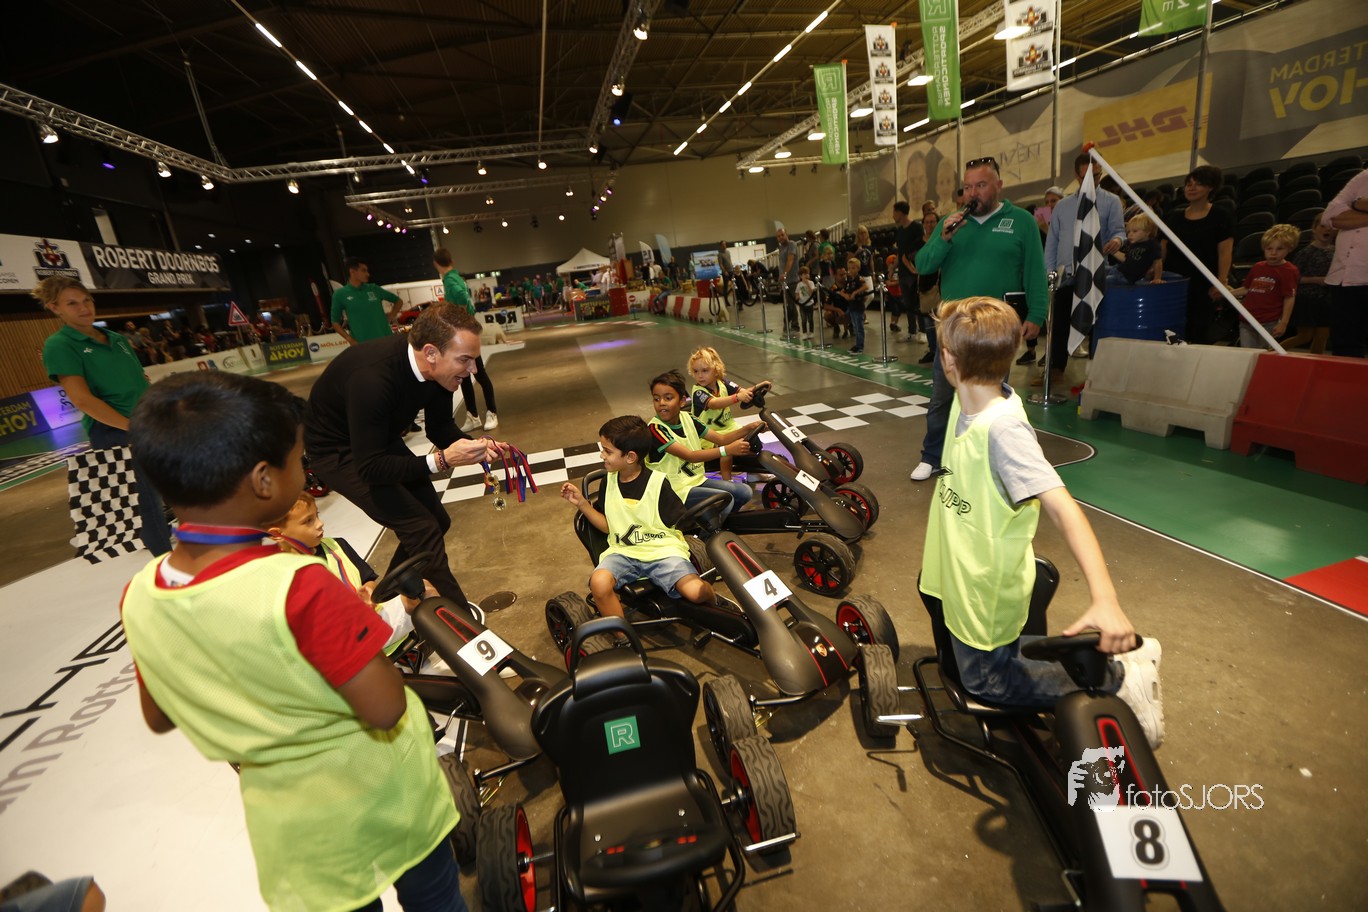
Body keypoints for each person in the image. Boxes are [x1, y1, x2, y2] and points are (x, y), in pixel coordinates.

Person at [121, 371, 465, 912]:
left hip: (294, 825)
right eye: (298, 460)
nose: (306, 471)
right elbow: (384, 706)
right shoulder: (301, 584)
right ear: (264, 480)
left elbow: (160, 716)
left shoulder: (142, 594)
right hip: (386, 794)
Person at [918, 295, 1164, 748]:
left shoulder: (1003, 430)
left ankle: (1119, 680)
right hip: (952, 570)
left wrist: (1105, 598)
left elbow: (1065, 509)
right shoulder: (965, 400)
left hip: (983, 590)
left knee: (987, 682)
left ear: (948, 359)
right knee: (952, 633)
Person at [305, 302, 505, 606]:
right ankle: (460, 622)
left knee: (437, 520)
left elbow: (440, 428)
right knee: (421, 528)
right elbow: (370, 467)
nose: (473, 370)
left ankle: (384, 597)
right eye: (465, 360)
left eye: (474, 360)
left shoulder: (440, 374)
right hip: (337, 451)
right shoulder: (373, 378)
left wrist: (477, 445)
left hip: (377, 437)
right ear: (431, 353)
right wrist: (440, 460)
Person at [911, 156, 1048, 482]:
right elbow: (924, 264)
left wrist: (1037, 314)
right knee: (942, 396)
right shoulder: (951, 223)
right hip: (953, 327)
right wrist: (943, 238)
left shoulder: (1021, 222)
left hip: (996, 329)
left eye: (981, 185)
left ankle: (988, 458)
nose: (973, 193)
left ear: (998, 185)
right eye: (968, 187)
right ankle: (933, 455)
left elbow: (1035, 270)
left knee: (992, 397)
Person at [36, 277, 173, 556]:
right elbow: (82, 399)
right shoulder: (60, 345)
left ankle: (178, 545)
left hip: (146, 422)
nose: (84, 308)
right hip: (114, 431)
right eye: (72, 303)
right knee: (144, 503)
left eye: (87, 300)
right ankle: (165, 565)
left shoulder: (117, 339)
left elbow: (139, 380)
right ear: (54, 308)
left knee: (171, 487)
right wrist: (130, 427)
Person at [561, 416, 715, 619]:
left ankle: (715, 603)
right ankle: (622, 633)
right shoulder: (608, 483)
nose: (602, 455)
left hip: (662, 552)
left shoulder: (658, 483)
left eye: (607, 451)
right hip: (623, 552)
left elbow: (680, 523)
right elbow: (609, 527)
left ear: (630, 457)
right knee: (599, 583)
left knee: (695, 592)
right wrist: (582, 503)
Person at [266, 490, 431, 656]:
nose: (320, 523)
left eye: (317, 515)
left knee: (424, 588)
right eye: (308, 521)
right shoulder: (284, 575)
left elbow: (368, 579)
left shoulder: (336, 545)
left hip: (372, 621)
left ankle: (434, 644)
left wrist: (370, 592)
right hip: (345, 645)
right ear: (277, 534)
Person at [1044, 152, 1126, 381]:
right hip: (1066, 274)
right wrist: (1050, 273)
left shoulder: (1111, 201)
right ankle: (1056, 369)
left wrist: (1118, 241)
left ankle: (1095, 374)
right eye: (1086, 176)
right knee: (1059, 325)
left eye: (1097, 175)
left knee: (1096, 323)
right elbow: (1052, 241)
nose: (1092, 179)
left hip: (1096, 273)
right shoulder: (1062, 206)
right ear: (1076, 175)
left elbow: (1119, 231)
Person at [646, 370, 754, 518]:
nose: (661, 403)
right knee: (723, 501)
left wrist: (748, 428)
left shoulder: (688, 418)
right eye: (656, 399)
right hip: (673, 491)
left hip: (695, 481)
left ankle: (715, 524)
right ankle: (705, 531)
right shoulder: (655, 429)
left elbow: (721, 439)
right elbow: (690, 456)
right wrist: (727, 450)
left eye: (668, 398)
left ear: (682, 401)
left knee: (744, 492)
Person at [1163, 165, 1236, 344]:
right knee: (1172, 332)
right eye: (1189, 184)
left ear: (1211, 187)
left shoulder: (1221, 215)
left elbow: (1225, 251)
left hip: (1203, 285)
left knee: (1199, 333)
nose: (1191, 188)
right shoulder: (1174, 216)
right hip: (1175, 284)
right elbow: (1163, 247)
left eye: (1198, 184)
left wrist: (1221, 281)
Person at [434, 247, 498, 432]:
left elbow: (462, 299)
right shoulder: (456, 277)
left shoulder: (449, 280)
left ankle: (491, 413)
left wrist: (459, 320)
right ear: (451, 261)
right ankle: (473, 415)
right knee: (465, 375)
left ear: (436, 264)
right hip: (463, 333)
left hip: (463, 334)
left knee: (478, 373)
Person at [688, 346, 770, 482]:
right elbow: (714, 403)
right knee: (727, 449)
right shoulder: (698, 392)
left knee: (753, 440)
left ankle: (753, 472)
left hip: (728, 427)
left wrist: (758, 387)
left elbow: (744, 392)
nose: (700, 375)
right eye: (696, 371)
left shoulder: (723, 383)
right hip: (709, 434)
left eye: (705, 371)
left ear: (716, 370)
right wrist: (737, 397)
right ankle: (727, 480)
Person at [1232, 223, 1300, 349]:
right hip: (1247, 319)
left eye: (1279, 249)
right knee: (1247, 352)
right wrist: (1225, 293)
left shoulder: (1289, 271)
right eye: (1269, 249)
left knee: (1262, 353)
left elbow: (1289, 297)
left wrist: (1284, 323)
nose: (1273, 253)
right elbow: (1247, 289)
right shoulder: (1258, 267)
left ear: (1289, 248)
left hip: (1268, 322)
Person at [1323, 166, 1368, 357]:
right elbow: (1330, 217)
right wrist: (1359, 205)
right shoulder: (1364, 177)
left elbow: (1342, 218)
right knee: (1344, 347)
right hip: (1344, 278)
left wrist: (1356, 205)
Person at [1282, 210, 1338, 353]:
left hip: (1326, 299)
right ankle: (1272, 353)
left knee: (1322, 336)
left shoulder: (1336, 251)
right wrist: (1317, 280)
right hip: (1307, 299)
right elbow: (1293, 278)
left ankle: (1316, 364)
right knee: (1304, 336)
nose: (1327, 230)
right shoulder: (1305, 252)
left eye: (1330, 227)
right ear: (1314, 228)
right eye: (1323, 226)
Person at [331, 256, 402, 346]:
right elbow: (335, 322)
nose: (368, 274)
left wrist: (391, 316)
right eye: (363, 270)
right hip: (362, 344)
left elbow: (398, 301)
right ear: (352, 272)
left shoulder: (374, 288)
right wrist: (349, 339)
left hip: (385, 339)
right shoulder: (340, 294)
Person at [892, 201, 924, 339]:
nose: (893, 215)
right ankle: (912, 331)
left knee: (917, 303)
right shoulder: (899, 231)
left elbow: (920, 247)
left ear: (900, 212)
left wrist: (913, 267)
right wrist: (893, 268)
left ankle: (923, 331)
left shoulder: (916, 227)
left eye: (894, 212)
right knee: (908, 303)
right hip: (903, 272)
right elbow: (900, 252)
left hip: (914, 271)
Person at [1108, 213, 1164, 286]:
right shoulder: (1133, 243)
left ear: (1147, 232)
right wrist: (1112, 251)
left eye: (1135, 231)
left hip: (1126, 277)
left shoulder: (1153, 245)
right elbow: (1127, 259)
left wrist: (1157, 278)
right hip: (1118, 270)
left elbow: (1157, 262)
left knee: (1102, 281)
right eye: (1128, 232)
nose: (1130, 234)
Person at [836, 255, 872, 354]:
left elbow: (865, 286)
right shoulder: (849, 280)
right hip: (851, 306)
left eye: (853, 268)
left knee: (859, 328)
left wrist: (855, 293)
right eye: (849, 268)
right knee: (855, 327)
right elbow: (843, 291)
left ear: (858, 268)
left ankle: (860, 346)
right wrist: (845, 295)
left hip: (858, 306)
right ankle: (857, 344)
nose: (851, 270)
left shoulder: (859, 278)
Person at [775, 227, 800, 337]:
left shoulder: (792, 244)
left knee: (791, 305)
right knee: (786, 305)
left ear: (786, 234)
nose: (780, 237)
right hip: (784, 282)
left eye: (782, 235)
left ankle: (795, 326)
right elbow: (782, 263)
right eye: (778, 236)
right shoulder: (780, 248)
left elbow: (790, 260)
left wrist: (785, 273)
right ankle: (786, 325)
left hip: (792, 280)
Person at [794, 266, 817, 338]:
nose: (806, 275)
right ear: (801, 276)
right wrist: (797, 297)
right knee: (803, 319)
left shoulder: (811, 283)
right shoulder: (799, 284)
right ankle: (804, 332)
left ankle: (811, 332)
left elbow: (811, 293)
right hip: (802, 304)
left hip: (810, 304)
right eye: (804, 274)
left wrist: (808, 284)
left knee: (810, 319)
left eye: (807, 274)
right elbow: (797, 293)